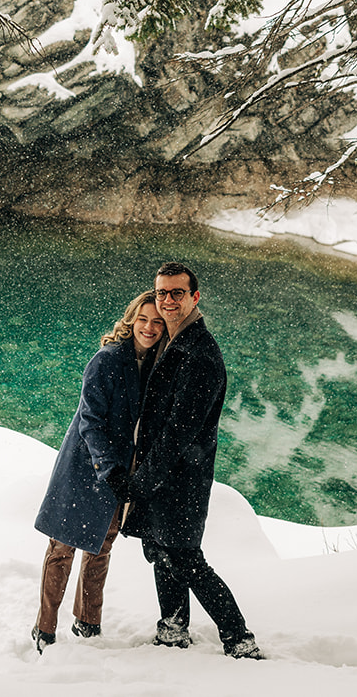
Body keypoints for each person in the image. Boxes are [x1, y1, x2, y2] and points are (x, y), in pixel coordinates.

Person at [120, 261, 263, 660]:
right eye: (162, 292)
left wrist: (141, 481)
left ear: (194, 297)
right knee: (160, 550)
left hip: (181, 478)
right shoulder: (171, 340)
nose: (167, 300)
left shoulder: (199, 353)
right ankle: (173, 629)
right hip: (162, 473)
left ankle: (239, 638)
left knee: (184, 557)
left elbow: (179, 432)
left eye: (176, 293)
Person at [30, 291, 166, 653]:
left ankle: (88, 622)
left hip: (119, 468)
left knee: (101, 546)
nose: (149, 328)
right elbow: (90, 421)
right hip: (85, 465)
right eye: (143, 319)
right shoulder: (106, 360)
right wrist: (110, 468)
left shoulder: (156, 364)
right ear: (131, 319)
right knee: (63, 547)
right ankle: (44, 628)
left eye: (157, 322)